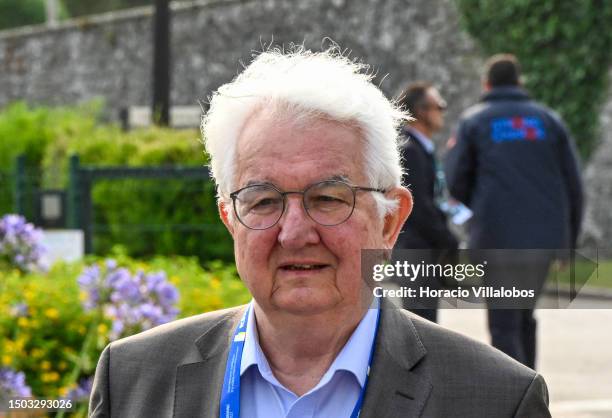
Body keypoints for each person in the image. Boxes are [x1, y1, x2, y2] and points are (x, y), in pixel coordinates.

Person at [89, 47, 551, 417]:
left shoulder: (497, 400)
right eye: (263, 200)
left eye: (328, 198)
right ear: (230, 219)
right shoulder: (131, 379)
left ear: (390, 220)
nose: (294, 232)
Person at [444, 53, 583, 369]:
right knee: (523, 316)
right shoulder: (549, 122)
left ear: (487, 84)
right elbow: (574, 187)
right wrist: (566, 245)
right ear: (520, 82)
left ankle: (515, 401)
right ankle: (528, 394)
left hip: (495, 238)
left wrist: (473, 220)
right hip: (542, 244)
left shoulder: (474, 122)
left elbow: (454, 183)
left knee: (504, 323)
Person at [395, 82, 458, 322]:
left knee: (425, 322)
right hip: (415, 249)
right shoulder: (410, 149)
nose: (442, 112)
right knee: (421, 325)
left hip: (422, 247)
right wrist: (448, 238)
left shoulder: (420, 148)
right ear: (421, 111)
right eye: (439, 106)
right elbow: (418, 207)